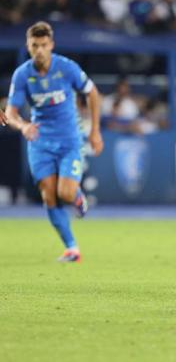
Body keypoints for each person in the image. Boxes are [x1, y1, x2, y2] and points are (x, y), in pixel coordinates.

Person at [6, 21, 103, 263]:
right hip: (40, 141)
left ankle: (78, 197)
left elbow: (92, 92)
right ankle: (72, 248)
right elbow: (11, 112)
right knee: (49, 194)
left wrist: (95, 132)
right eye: (34, 45)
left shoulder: (67, 68)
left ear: (52, 45)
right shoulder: (22, 75)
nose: (39, 50)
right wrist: (23, 125)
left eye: (43, 45)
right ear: (28, 46)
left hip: (69, 138)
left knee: (65, 192)